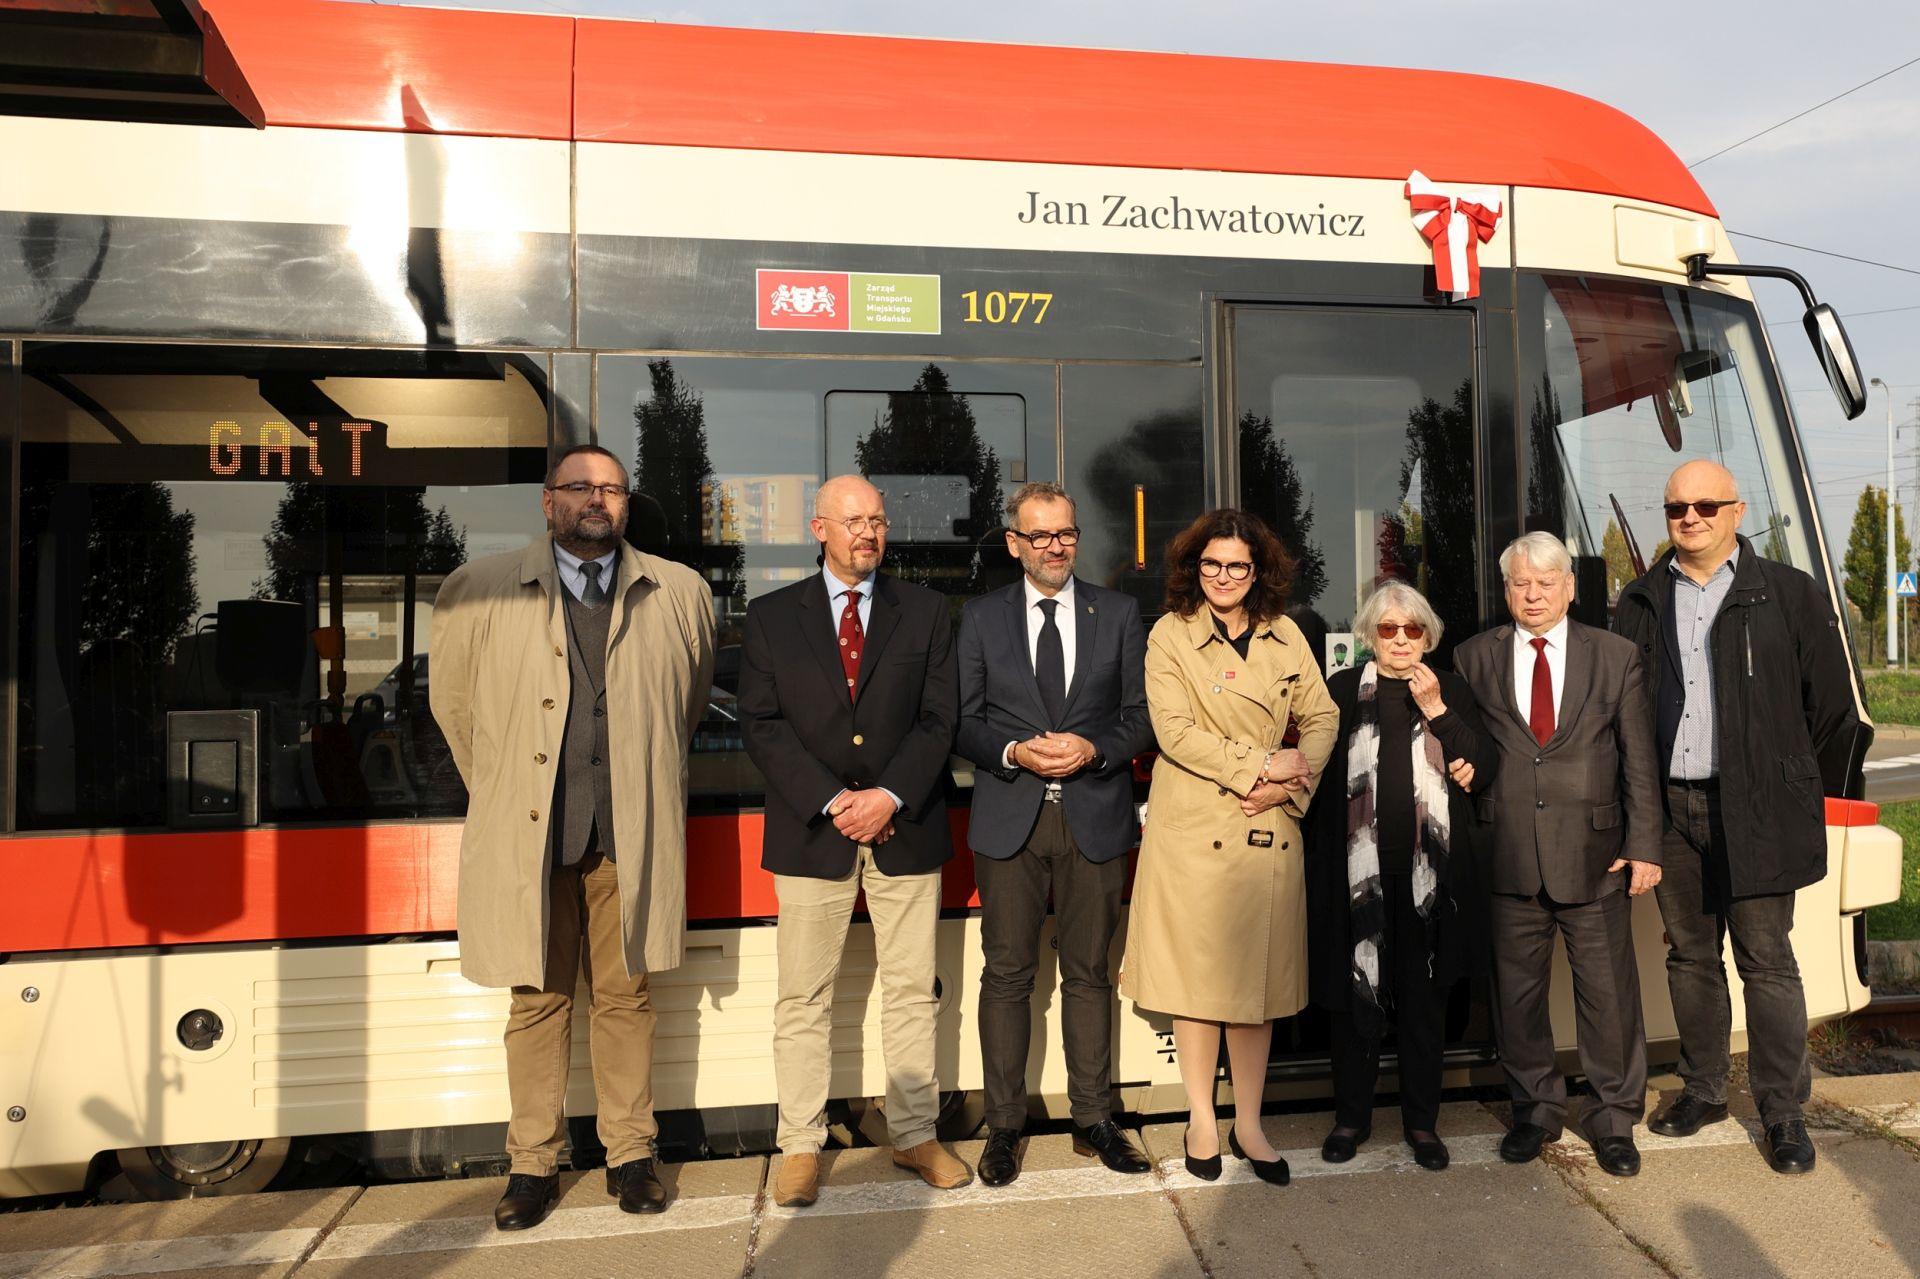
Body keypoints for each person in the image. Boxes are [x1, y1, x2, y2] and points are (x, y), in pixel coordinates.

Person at [431, 444, 717, 1231]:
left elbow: (684, 709)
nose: (597, 499)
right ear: (547, 500)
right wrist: (509, 790)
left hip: (629, 837)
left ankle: (631, 1155)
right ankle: (532, 1164)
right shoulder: (478, 590)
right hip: (533, 842)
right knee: (536, 999)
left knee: (627, 998)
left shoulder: (680, 593)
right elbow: (457, 712)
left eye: (612, 489)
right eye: (580, 486)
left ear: (627, 504)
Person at [1614, 461, 1862, 1174]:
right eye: (1676, 508)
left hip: (1757, 808)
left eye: (1705, 505)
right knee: (1690, 957)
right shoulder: (1640, 600)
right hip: (1670, 809)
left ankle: (1783, 1111)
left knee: (1767, 960)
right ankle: (1704, 1089)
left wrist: (1791, 786)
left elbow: (1832, 711)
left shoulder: (1787, 592)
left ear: (1736, 511)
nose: (1690, 518)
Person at [738, 474, 969, 1208]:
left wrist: (888, 795)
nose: (869, 532)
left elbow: (940, 718)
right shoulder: (772, 616)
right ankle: (800, 1146)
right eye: (853, 520)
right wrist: (837, 801)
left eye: (878, 520)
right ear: (819, 529)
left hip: (906, 824)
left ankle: (914, 1133)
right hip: (813, 831)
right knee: (803, 997)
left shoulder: (925, 612)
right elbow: (761, 724)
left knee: (912, 991)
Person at [1120, 508, 1338, 1187]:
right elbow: (1174, 732)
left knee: (1258, 984)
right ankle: (1201, 1120)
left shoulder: (1286, 633)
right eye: (1211, 564)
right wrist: (1262, 766)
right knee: (1197, 985)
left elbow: (1324, 716)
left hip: (1267, 826)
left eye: (1237, 566)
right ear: (1194, 568)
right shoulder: (1169, 634)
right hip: (1194, 827)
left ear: (1258, 571)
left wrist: (1288, 789)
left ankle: (1249, 1123)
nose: (1222, 576)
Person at [955, 482, 1157, 1186]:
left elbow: (1141, 716)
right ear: (1014, 543)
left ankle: (1094, 1119)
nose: (1055, 547)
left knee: (1089, 973)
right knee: (1007, 975)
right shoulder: (981, 618)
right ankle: (1003, 1127)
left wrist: (1094, 750)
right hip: (1009, 817)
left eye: (1065, 533)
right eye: (1039, 535)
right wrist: (1014, 751)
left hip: (1094, 816)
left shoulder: (1118, 612)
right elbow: (962, 720)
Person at [1453, 532, 1661, 1178]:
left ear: (1570, 587)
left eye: (1546, 582)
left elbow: (1638, 756)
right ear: (1506, 590)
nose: (1534, 594)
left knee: (1609, 996)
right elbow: (1464, 745)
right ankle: (1535, 1110)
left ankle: (1613, 1117)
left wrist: (1644, 844)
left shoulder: (1615, 656)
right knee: (1516, 997)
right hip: (1507, 852)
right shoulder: (1472, 657)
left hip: (1598, 856)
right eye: (1521, 583)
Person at [1303, 581, 1497, 1172]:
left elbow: (1484, 765)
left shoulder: (1451, 689)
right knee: (1354, 996)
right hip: (1355, 876)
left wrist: (1437, 709)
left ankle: (1421, 1124)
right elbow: (1312, 773)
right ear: (1369, 635)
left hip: (1428, 880)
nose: (1401, 640)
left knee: (1423, 1003)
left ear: (1428, 635)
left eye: (1413, 629)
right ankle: (1351, 1119)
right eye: (1388, 629)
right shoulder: (1341, 690)